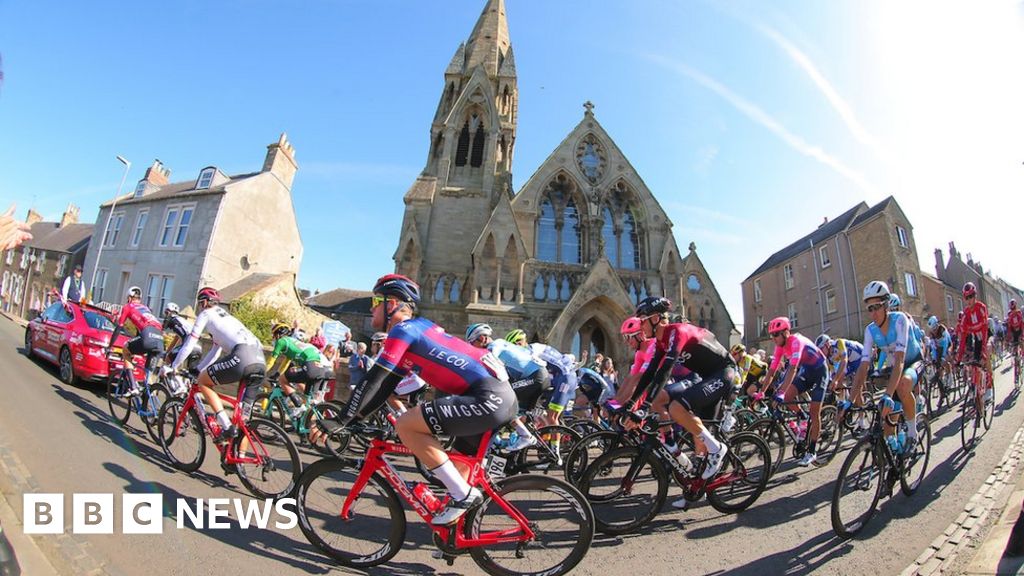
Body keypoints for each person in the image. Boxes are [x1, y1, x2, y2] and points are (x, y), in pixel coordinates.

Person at [335, 274, 517, 525]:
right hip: (498, 397)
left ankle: (463, 496)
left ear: (391, 305)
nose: (371, 308)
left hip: (486, 397)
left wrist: (340, 419)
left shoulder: (403, 330)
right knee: (457, 470)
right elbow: (385, 386)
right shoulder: (422, 327)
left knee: (406, 424)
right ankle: (456, 537)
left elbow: (374, 378)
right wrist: (357, 416)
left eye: (374, 301)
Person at [623, 296, 738, 484]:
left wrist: (644, 407)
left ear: (656, 319)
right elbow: (651, 374)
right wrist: (631, 403)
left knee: (677, 408)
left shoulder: (677, 332)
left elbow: (664, 373)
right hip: (707, 378)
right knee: (699, 438)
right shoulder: (661, 342)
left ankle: (718, 449)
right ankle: (696, 486)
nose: (640, 328)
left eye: (642, 322)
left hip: (724, 373)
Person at [169, 287, 266, 444]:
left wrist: (174, 366)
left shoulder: (206, 314)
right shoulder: (227, 318)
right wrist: (199, 369)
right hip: (260, 360)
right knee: (242, 421)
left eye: (200, 303)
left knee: (203, 382)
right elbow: (214, 352)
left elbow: (190, 342)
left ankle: (226, 426)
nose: (200, 307)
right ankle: (238, 459)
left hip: (243, 355)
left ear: (205, 302)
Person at [851, 281, 923, 454]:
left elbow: (899, 360)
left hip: (912, 361)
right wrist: (850, 401)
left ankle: (913, 433)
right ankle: (894, 460)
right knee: (887, 427)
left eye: (876, 307)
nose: (873, 313)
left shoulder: (900, 320)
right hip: (896, 367)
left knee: (903, 385)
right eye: (870, 308)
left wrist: (888, 395)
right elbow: (863, 367)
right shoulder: (870, 330)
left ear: (886, 305)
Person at [465, 323, 547, 451]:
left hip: (536, 377)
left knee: (503, 401)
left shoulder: (493, 347)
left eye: (472, 342)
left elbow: (487, 368)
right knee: (516, 410)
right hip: (539, 376)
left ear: (482, 338)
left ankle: (525, 436)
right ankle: (517, 453)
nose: (472, 346)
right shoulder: (501, 342)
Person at [761, 317, 829, 466]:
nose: (773, 338)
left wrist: (781, 391)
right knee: (787, 397)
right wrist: (762, 392)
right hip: (807, 371)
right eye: (771, 335)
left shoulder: (796, 341)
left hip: (820, 371)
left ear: (786, 332)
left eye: (776, 334)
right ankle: (802, 417)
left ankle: (812, 451)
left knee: (814, 411)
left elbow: (793, 369)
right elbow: (771, 371)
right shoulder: (779, 347)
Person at [265, 322, 328, 418]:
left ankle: (298, 405)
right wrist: (277, 373)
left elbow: (271, 360)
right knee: (307, 400)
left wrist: (262, 371)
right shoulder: (292, 342)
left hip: (310, 365)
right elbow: (286, 362)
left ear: (278, 334)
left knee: (282, 380)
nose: (273, 338)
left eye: (274, 335)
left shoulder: (281, 341)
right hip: (320, 368)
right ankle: (307, 424)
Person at [109, 286, 165, 394]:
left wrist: (110, 346)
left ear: (129, 298)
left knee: (126, 349)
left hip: (148, 336)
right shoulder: (146, 309)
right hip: (160, 339)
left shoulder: (128, 307)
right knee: (147, 378)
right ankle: (146, 406)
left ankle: (133, 387)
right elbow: (140, 333)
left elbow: (118, 328)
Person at [957, 281, 993, 405]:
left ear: (975, 296)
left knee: (986, 355)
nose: (969, 300)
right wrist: (958, 358)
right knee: (974, 363)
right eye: (966, 297)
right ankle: (976, 387)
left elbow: (984, 329)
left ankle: (989, 386)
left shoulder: (981, 307)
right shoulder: (966, 314)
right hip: (977, 338)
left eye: (971, 296)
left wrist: (983, 348)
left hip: (986, 334)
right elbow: (962, 339)